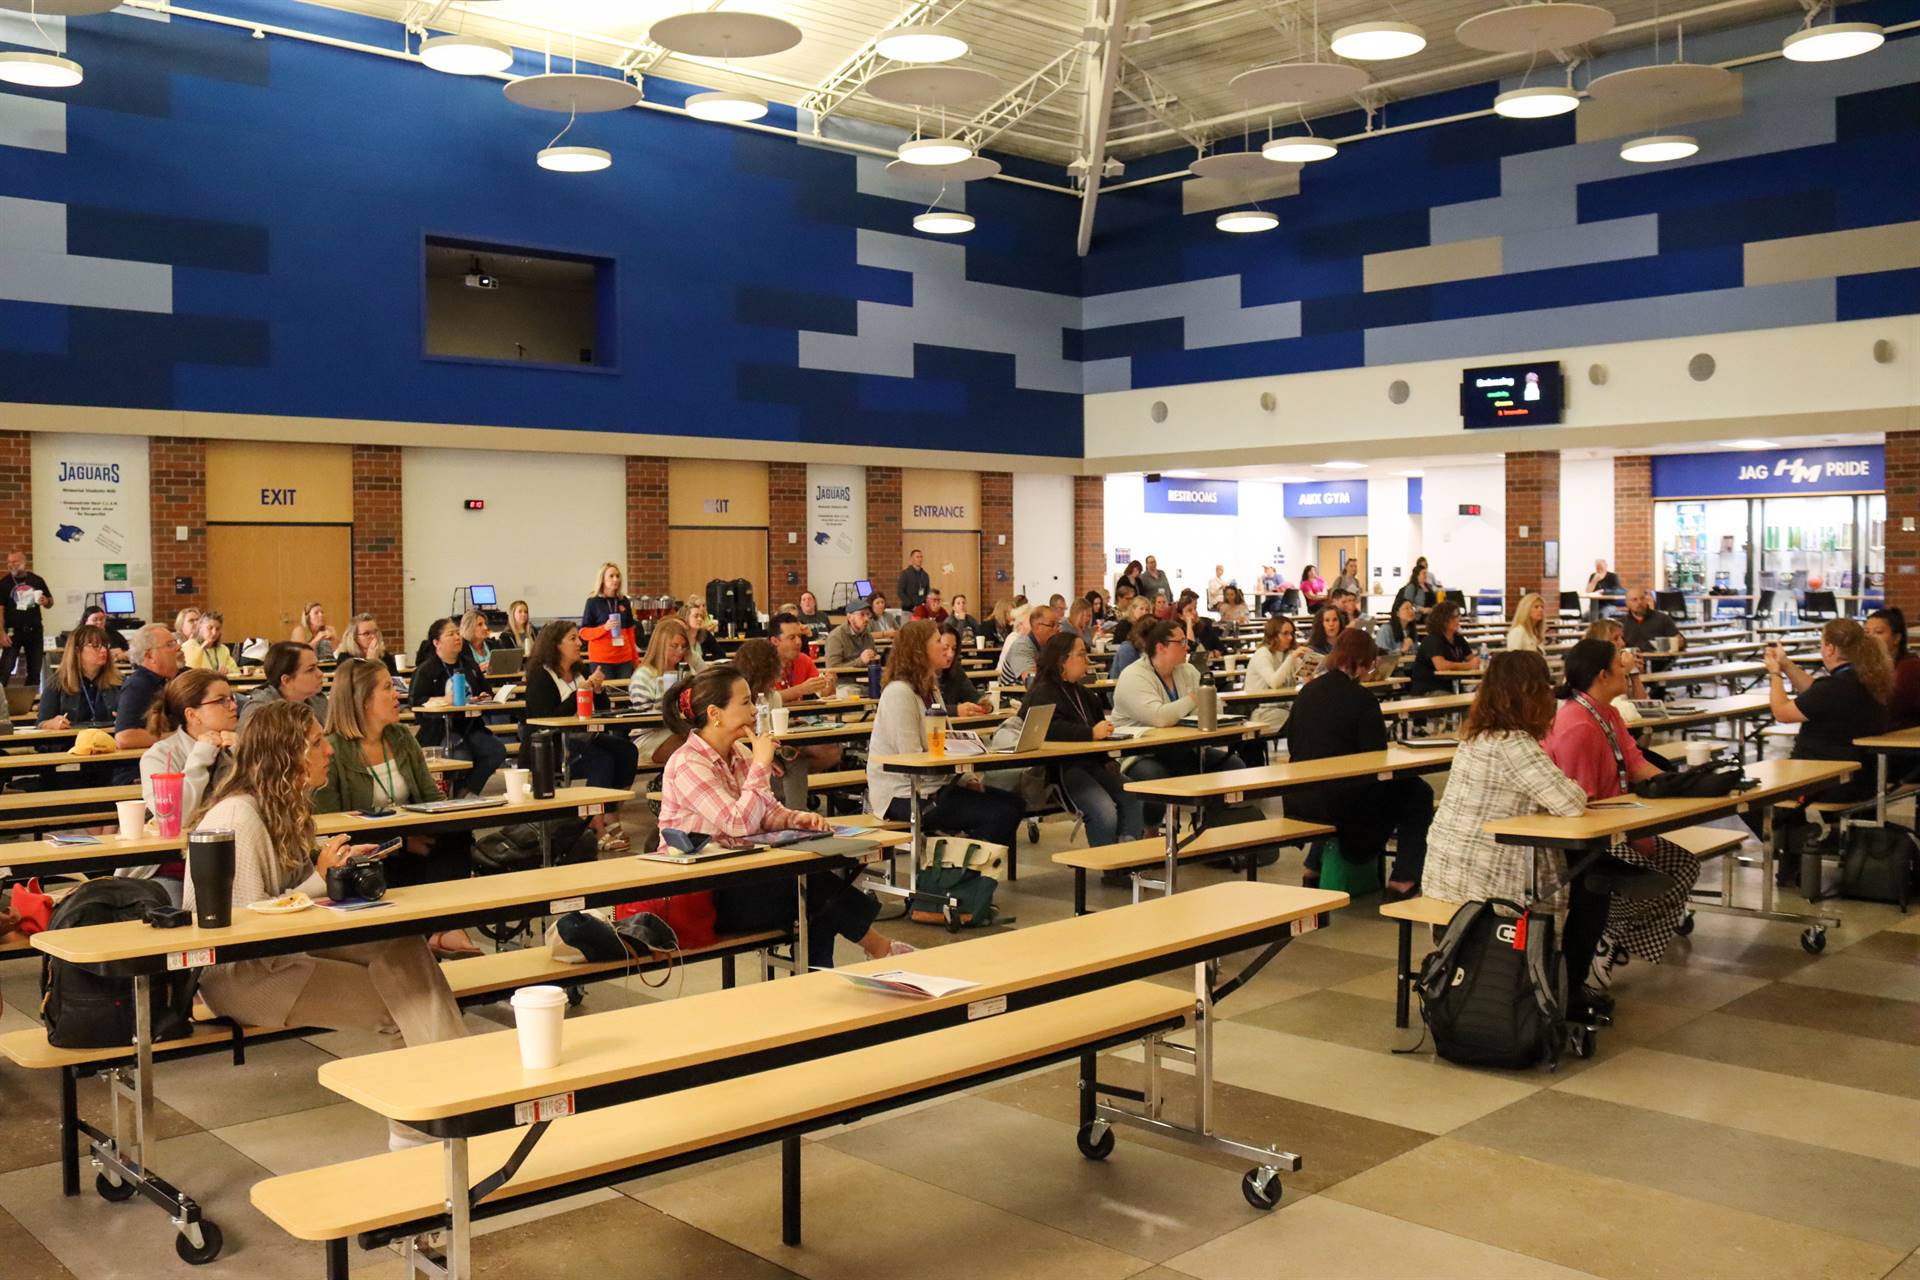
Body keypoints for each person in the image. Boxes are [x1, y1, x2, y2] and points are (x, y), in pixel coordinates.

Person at [185, 699, 466, 1148]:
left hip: (282, 950)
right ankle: (417, 1133)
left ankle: (460, 1083)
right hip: (247, 976)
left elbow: (288, 896)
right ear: (287, 755)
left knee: (402, 943)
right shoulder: (240, 817)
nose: (329, 751)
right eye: (317, 743)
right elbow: (245, 929)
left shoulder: (274, 806)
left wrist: (332, 871)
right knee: (401, 1007)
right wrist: (320, 877)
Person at [659, 665, 908, 968]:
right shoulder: (687, 763)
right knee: (811, 891)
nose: (754, 710)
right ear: (715, 713)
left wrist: (795, 819)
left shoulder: (738, 752)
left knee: (811, 896)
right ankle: (878, 948)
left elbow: (765, 811)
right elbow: (739, 824)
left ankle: (819, 979)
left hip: (741, 875)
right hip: (702, 895)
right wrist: (762, 763)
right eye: (746, 702)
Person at [1420, 650, 1597, 1014]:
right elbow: (1571, 801)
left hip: (1444, 874)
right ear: (1531, 694)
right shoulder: (1512, 744)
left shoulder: (1475, 738)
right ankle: (1565, 991)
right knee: (1592, 887)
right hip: (1483, 887)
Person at [1544, 639, 1699, 1001]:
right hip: (1591, 840)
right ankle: (1606, 937)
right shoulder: (1576, 725)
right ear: (1602, 674)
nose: (1627, 668)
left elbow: (1637, 764)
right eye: (1620, 664)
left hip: (1620, 824)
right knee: (1658, 875)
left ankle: (1610, 937)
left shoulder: (1607, 713)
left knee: (1683, 868)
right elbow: (1579, 806)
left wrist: (1684, 783)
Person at [313, 658, 483, 953]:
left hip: (415, 838)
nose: (398, 695)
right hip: (368, 854)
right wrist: (400, 842)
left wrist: (443, 819)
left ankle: (443, 927)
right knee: (417, 858)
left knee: (458, 833)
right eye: (387, 687)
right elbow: (333, 830)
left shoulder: (401, 737)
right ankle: (436, 930)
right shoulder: (334, 749)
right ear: (362, 700)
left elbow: (432, 798)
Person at [1286, 630, 1431, 898]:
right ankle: (1404, 878)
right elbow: (1377, 761)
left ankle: (1313, 866)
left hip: (1299, 797)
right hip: (1341, 804)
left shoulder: (1307, 692)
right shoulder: (1363, 699)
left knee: (1332, 785)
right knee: (1419, 792)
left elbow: (1293, 743)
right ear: (1364, 662)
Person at [867, 620, 1024, 846]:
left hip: (935, 786)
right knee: (1001, 813)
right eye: (938, 641)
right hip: (903, 796)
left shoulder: (930, 689)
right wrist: (957, 776)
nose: (945, 646)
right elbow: (912, 760)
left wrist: (967, 778)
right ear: (920, 649)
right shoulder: (899, 693)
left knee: (1016, 803)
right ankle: (961, 874)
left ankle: (968, 861)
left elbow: (946, 739)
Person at [1019, 632, 1143, 847]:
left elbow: (1097, 730)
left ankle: (1127, 858)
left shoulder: (1085, 694)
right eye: (1082, 655)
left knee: (1132, 795)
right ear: (1063, 661)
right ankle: (1109, 866)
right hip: (1061, 770)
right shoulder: (1042, 692)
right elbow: (1049, 730)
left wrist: (1106, 758)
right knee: (1104, 811)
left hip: (1092, 763)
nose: (1087, 661)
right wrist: (1091, 733)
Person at [519, 623, 639, 844]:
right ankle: (596, 821)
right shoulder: (541, 675)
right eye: (573, 639)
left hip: (582, 736)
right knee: (602, 760)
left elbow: (600, 708)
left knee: (626, 750)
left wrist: (598, 690)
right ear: (556, 645)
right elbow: (545, 718)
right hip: (552, 744)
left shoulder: (579, 671)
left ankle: (611, 810)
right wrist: (580, 692)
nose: (579, 643)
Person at [1763, 619, 1890, 817]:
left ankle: (1791, 838)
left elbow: (1782, 713)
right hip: (1858, 777)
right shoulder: (1863, 678)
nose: (1821, 649)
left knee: (1750, 793)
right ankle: (1800, 835)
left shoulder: (1835, 687)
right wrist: (1786, 665)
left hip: (1822, 782)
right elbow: (1815, 691)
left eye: (1821, 644)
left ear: (1830, 649)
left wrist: (1775, 674)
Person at [132, 668, 237, 897]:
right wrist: (201, 755)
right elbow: (175, 818)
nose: (232, 706)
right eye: (221, 701)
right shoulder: (159, 756)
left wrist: (242, 754)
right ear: (192, 714)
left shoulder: (235, 746)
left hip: (230, 856)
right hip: (170, 866)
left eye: (232, 698)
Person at [406, 620, 504, 797]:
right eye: (450, 634)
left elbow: (486, 690)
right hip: (440, 730)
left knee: (495, 750)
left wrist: (482, 697)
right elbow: (415, 702)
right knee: (461, 758)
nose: (457, 637)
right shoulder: (426, 670)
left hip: (470, 725)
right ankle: (451, 797)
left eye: (458, 633)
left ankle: (467, 793)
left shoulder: (469, 665)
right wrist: (444, 700)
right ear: (437, 643)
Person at [38, 624, 121, 730]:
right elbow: (41, 722)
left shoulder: (119, 682)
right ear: (77, 651)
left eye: (106, 645)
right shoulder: (57, 683)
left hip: (109, 741)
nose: (104, 650)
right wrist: (53, 723)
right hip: (70, 743)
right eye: (96, 646)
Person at [114, 624, 183, 751]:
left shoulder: (183, 677)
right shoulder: (137, 686)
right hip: (143, 764)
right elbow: (125, 737)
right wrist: (181, 737)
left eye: (176, 642)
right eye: (170, 644)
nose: (178, 647)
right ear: (150, 656)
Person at [242, 639, 331, 729]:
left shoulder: (318, 701)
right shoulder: (258, 712)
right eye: (310, 669)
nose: (320, 674)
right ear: (286, 680)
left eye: (317, 666)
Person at [1242, 617, 1310, 732]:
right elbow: (1274, 682)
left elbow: (1306, 678)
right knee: (1304, 721)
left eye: (1292, 633)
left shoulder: (1288, 653)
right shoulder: (1263, 654)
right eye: (1285, 634)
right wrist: (1291, 658)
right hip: (1263, 711)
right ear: (1273, 635)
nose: (1290, 637)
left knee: (1313, 714)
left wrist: (1310, 662)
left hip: (1285, 707)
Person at [1, 550, 52, 687]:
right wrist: (1, 633)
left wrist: (45, 601)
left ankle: (30, 704)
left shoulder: (37, 580)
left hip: (34, 631)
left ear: (24, 562)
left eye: (15, 561)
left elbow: (50, 602)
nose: (11, 565)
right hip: (13, 632)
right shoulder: (4, 583)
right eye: (9, 562)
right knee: (5, 669)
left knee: (35, 671)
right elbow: (0, 610)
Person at [1865, 607, 1920, 731]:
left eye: (1878, 632)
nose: (1870, 638)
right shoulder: (1870, 666)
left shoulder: (1909, 667)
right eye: (1867, 632)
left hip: (1903, 737)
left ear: (1897, 638)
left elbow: (1891, 709)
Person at [581, 562, 639, 678]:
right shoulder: (593, 602)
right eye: (611, 576)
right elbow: (584, 633)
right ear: (602, 579)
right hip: (602, 660)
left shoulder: (624, 601)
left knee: (625, 694)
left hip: (624, 659)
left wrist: (636, 661)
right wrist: (605, 628)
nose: (615, 579)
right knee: (606, 693)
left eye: (618, 576)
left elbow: (630, 633)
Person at [1409, 600, 1480, 695]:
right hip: (1430, 690)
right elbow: (1441, 666)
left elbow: (1471, 658)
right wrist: (1468, 666)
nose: (1458, 619)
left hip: (1452, 687)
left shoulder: (1458, 639)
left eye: (1459, 615)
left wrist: (1480, 661)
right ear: (1442, 620)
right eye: (1454, 617)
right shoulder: (1432, 639)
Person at [772, 613, 834, 700]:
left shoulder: (803, 660)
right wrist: (801, 689)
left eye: (799, 636)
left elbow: (823, 694)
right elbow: (766, 700)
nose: (798, 642)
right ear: (775, 641)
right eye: (792, 637)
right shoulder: (762, 663)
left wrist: (829, 684)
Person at [936, 623, 991, 715]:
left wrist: (984, 705)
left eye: (954, 649)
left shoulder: (956, 671)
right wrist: (956, 710)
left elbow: (974, 698)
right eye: (945, 648)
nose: (951, 654)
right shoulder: (922, 674)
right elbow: (925, 708)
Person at [998, 604, 1058, 687]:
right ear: (1037, 627)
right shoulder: (1021, 646)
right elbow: (1031, 681)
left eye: (1058, 625)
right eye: (1052, 625)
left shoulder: (1050, 646)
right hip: (1013, 698)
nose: (1057, 629)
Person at [1619, 588, 1685, 660]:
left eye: (1642, 598)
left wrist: (1681, 643)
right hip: (1631, 664)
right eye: (1634, 600)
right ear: (1627, 604)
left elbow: (1680, 641)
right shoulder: (1621, 623)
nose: (1639, 602)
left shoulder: (1662, 619)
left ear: (1646, 600)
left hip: (1659, 664)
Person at [337, 612, 400, 680]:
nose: (373, 637)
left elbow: (395, 679)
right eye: (367, 634)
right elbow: (356, 685)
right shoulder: (345, 658)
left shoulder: (384, 655)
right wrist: (371, 662)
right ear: (354, 637)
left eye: (375, 632)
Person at [824, 598, 880, 672]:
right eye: (862, 614)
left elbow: (872, 661)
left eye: (868, 614)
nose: (867, 619)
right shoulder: (836, 637)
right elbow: (832, 668)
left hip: (866, 679)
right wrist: (860, 661)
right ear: (850, 617)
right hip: (844, 681)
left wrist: (876, 658)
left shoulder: (867, 635)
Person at [181, 609, 242, 675]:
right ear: (200, 627)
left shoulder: (223, 649)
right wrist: (201, 648)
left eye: (217, 629)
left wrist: (227, 670)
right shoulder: (189, 646)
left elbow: (236, 671)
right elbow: (189, 672)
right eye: (210, 628)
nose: (214, 633)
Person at [458, 609, 494, 675]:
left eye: (485, 624)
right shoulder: (461, 648)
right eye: (480, 624)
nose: (485, 628)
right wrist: (477, 670)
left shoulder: (494, 644)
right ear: (468, 627)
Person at [896, 548, 931, 614]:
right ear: (912, 559)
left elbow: (927, 591)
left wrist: (924, 604)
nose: (920, 559)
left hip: (921, 609)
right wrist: (911, 606)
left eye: (921, 557)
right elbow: (900, 592)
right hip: (908, 609)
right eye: (917, 557)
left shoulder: (925, 575)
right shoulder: (905, 574)